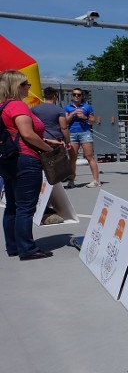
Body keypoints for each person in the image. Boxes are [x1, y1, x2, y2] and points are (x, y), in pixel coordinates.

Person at [0, 71, 64, 260]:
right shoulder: (17, 105)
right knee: (26, 207)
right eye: (26, 83)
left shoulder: (2, 106)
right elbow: (27, 134)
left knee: (12, 205)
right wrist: (47, 149)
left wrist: (43, 141)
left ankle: (13, 246)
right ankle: (27, 248)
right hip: (25, 159)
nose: (29, 87)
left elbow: (16, 133)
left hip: (8, 159)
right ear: (17, 86)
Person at [64, 87, 100, 188]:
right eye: (74, 94)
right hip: (72, 133)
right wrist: (72, 114)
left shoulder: (87, 107)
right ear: (72, 96)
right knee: (72, 158)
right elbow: (65, 121)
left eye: (79, 95)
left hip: (85, 132)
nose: (76, 96)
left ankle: (96, 180)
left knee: (89, 156)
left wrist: (84, 117)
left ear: (82, 96)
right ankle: (71, 180)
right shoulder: (67, 107)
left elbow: (93, 120)